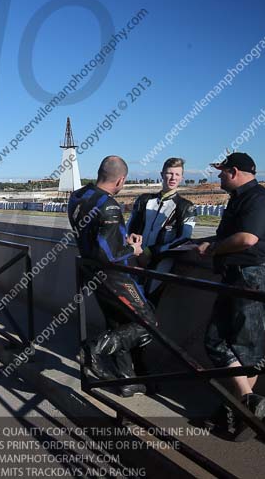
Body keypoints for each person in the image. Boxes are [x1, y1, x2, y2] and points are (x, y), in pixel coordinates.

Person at [194, 152, 265, 441]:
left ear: (234, 172)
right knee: (216, 340)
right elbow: (231, 238)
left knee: (246, 348)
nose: (218, 176)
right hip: (239, 277)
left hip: (256, 278)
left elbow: (247, 239)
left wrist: (213, 249)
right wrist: (203, 243)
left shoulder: (260, 199)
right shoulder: (239, 200)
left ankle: (236, 410)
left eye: (222, 171)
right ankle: (246, 400)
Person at [68, 155, 157, 398]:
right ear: (121, 180)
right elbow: (106, 254)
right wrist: (133, 249)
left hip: (92, 273)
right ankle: (93, 350)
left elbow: (96, 237)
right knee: (148, 323)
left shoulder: (78, 196)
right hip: (115, 277)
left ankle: (127, 380)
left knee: (118, 325)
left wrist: (122, 239)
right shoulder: (109, 205)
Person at [127, 157, 196, 303]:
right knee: (128, 300)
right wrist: (134, 249)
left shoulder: (186, 207)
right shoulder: (144, 200)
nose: (173, 178)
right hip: (135, 256)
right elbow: (130, 227)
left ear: (182, 177)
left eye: (177, 174)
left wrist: (150, 251)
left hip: (161, 261)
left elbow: (184, 240)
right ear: (162, 174)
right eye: (169, 173)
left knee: (148, 302)